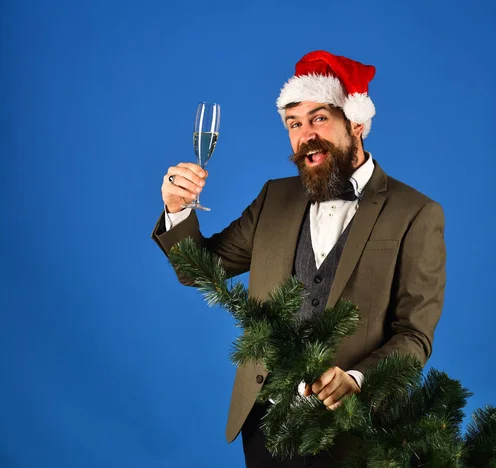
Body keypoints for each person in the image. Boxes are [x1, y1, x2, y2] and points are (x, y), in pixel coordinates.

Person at [151, 50, 446, 467]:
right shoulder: (275, 196)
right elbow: (199, 270)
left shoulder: (416, 212)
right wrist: (177, 209)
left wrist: (357, 379)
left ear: (357, 123)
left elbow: (414, 334)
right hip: (266, 424)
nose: (305, 134)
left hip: (355, 433)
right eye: (294, 123)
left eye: (319, 118)